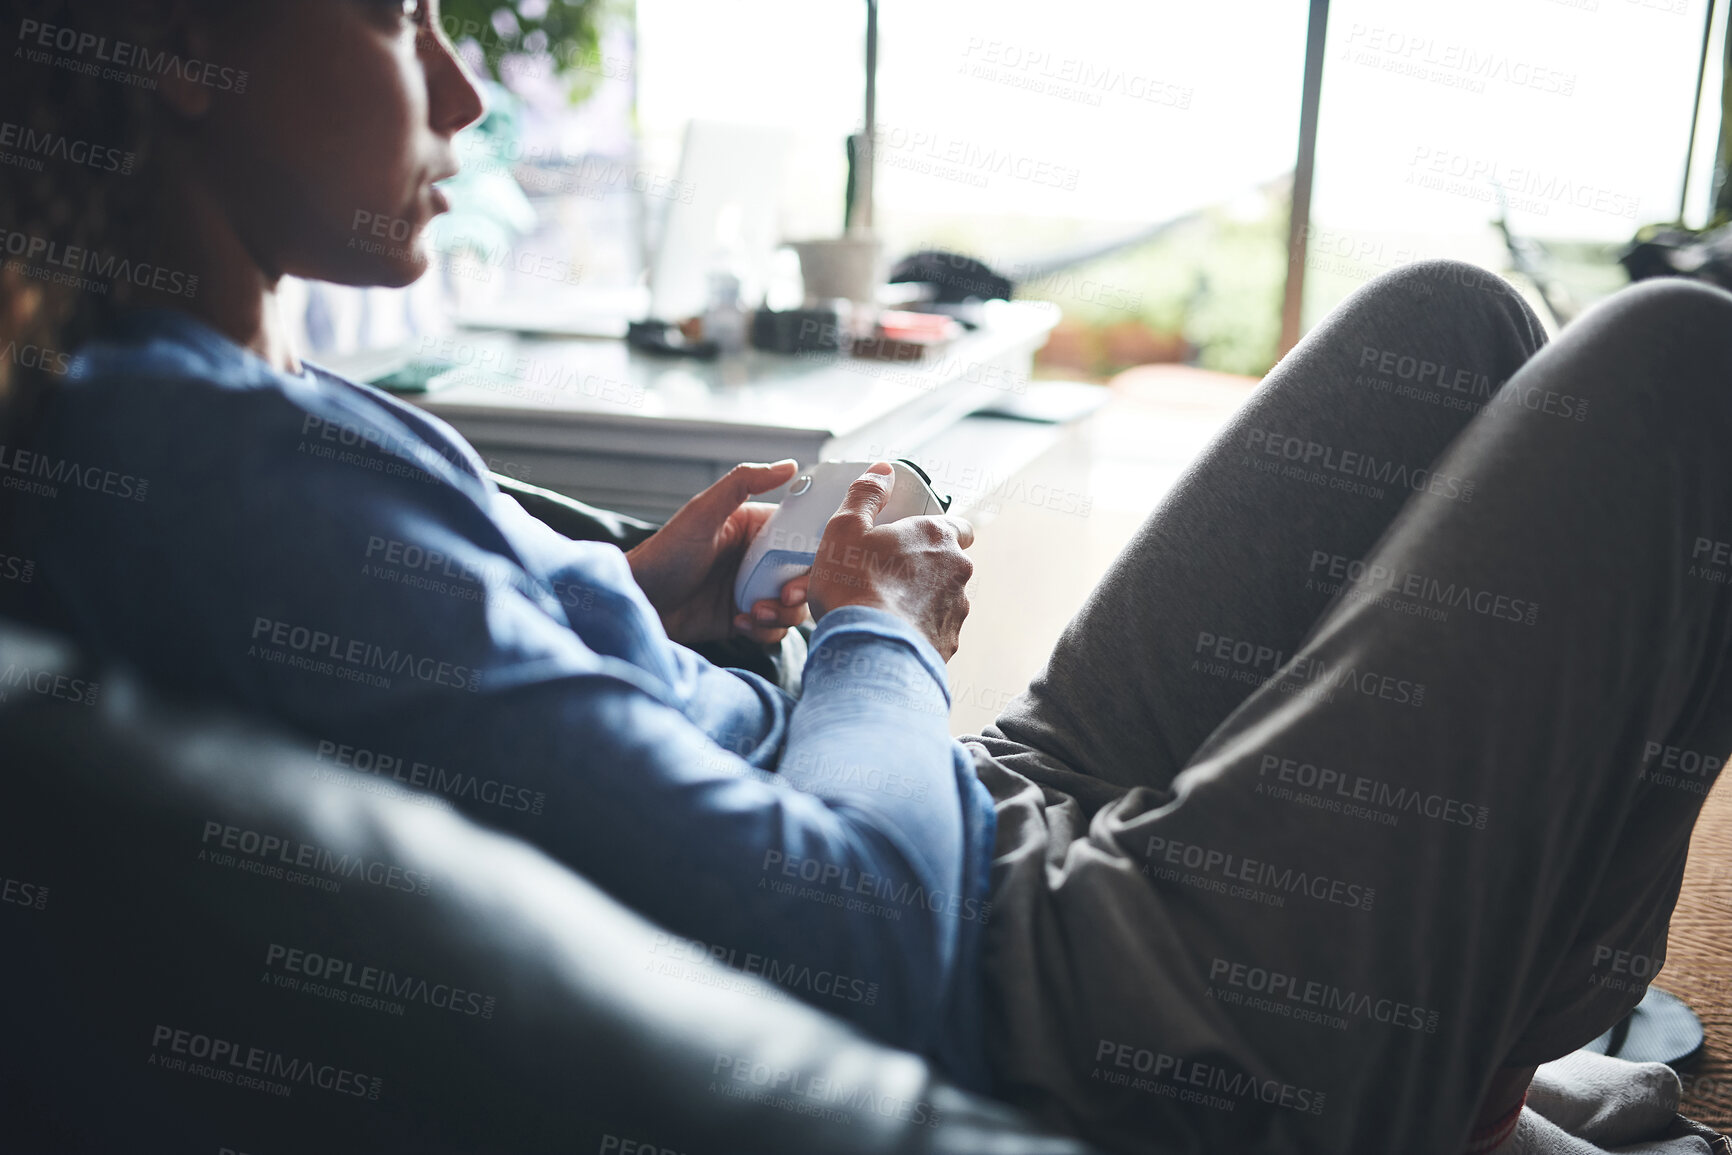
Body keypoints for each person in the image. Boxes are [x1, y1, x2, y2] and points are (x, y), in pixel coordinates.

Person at [4, 2, 1730, 1152]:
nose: (461, 88)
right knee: (1679, 370)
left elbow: (466, 664)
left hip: (972, 824)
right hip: (1032, 991)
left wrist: (644, 587)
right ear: (178, 46)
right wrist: (872, 632)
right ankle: (1443, 1093)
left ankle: (1486, 1067)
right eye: (396, 15)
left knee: (1452, 323)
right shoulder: (212, 487)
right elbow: (848, 945)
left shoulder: (207, 401)